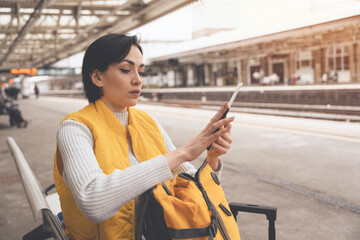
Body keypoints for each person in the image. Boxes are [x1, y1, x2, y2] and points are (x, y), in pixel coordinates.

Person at [53, 34, 234, 240]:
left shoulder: (147, 122)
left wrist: (213, 158)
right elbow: (93, 201)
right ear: (97, 77)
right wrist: (183, 153)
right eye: (125, 70)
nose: (137, 80)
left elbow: (191, 187)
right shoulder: (75, 128)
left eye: (141, 71)